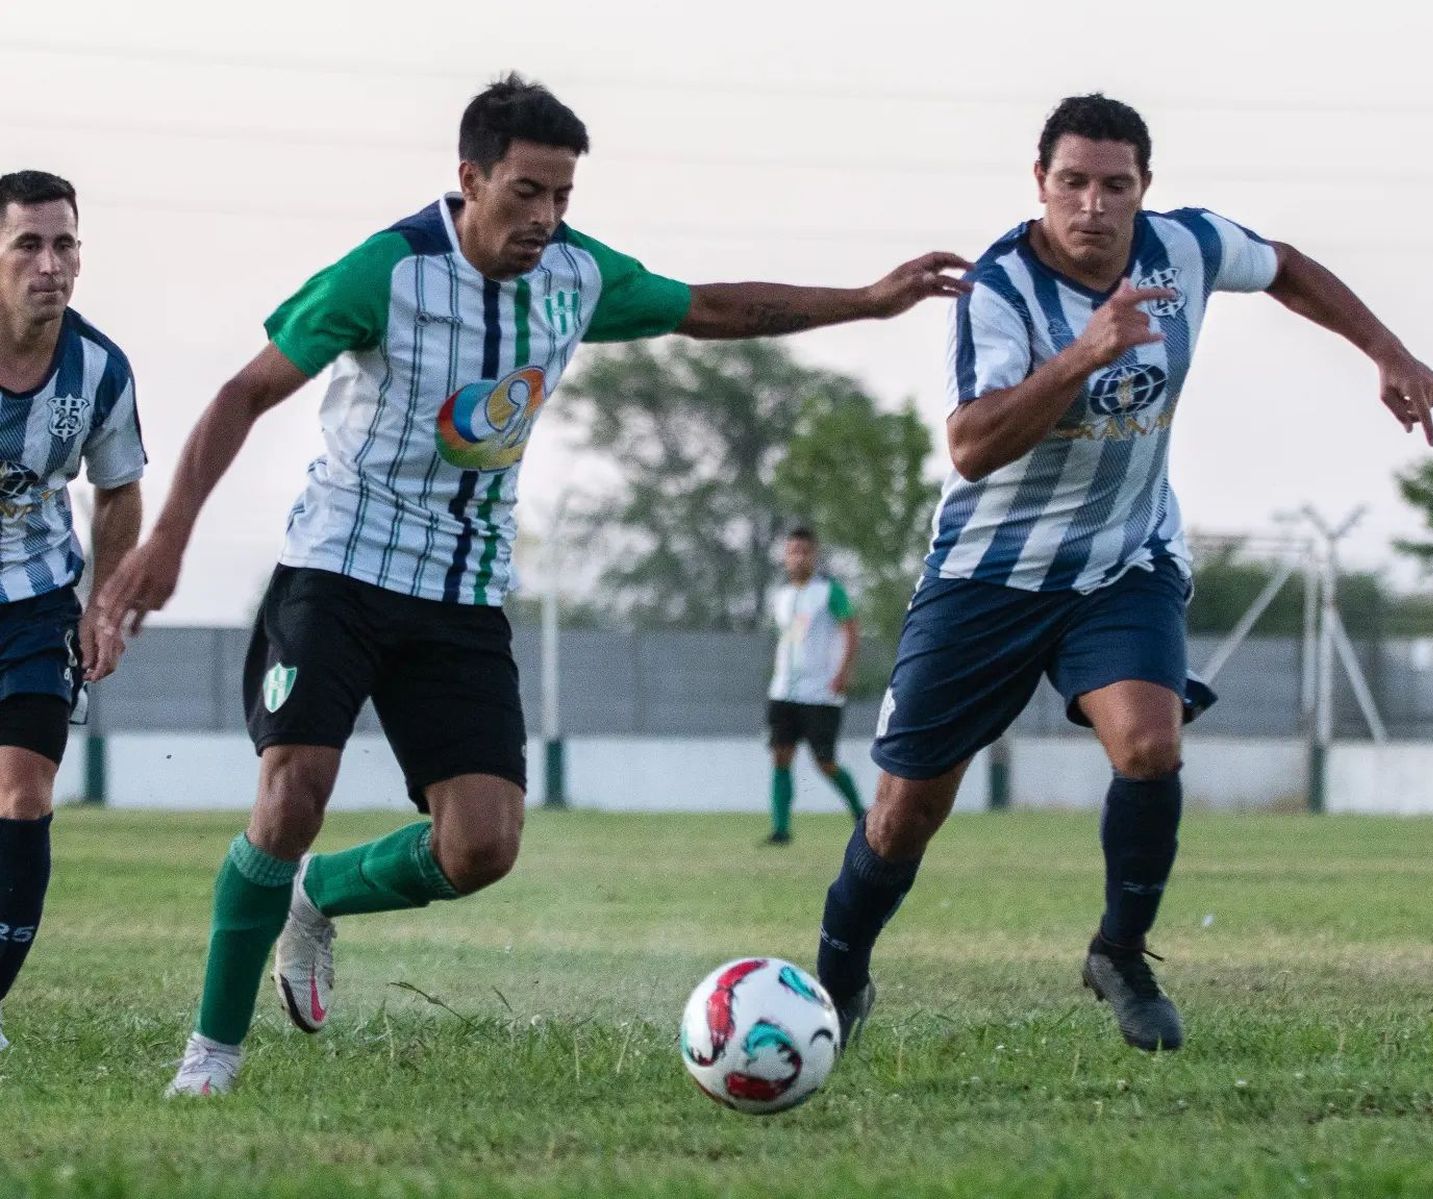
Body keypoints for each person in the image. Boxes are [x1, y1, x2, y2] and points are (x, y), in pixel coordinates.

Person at [94, 73, 970, 1096]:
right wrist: (167, 540)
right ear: (468, 178)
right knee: (292, 794)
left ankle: (318, 897)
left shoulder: (577, 278)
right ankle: (212, 1054)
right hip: (336, 566)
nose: (545, 219)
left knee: (482, 846)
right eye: (525, 193)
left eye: (561, 197)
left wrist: (865, 301)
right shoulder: (387, 272)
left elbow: (710, 308)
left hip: (462, 591)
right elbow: (245, 392)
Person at [813, 94, 1433, 1053]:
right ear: (1041, 184)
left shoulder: (1185, 248)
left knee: (1149, 742)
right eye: (1074, 183)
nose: (1094, 206)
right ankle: (838, 972)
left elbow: (1289, 268)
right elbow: (973, 446)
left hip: (1124, 558)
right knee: (906, 812)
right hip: (989, 574)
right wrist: (1084, 355)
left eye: (1116, 185)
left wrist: (1387, 351)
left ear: (1145, 188)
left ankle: (1120, 951)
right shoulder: (1001, 289)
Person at [0, 170, 146, 1050]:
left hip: (38, 601)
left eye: (65, 244)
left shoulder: (98, 369)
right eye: (28, 243)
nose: (50, 264)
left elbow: (120, 489)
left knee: (23, 794)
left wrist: (106, 606)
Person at [764, 526, 863, 844]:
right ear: (785, 556)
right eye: (792, 551)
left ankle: (861, 814)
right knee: (781, 755)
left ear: (814, 555)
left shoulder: (827, 591)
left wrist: (843, 672)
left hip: (820, 692)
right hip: (783, 690)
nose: (798, 557)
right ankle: (781, 829)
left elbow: (850, 628)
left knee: (825, 761)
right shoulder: (781, 596)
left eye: (804, 551)